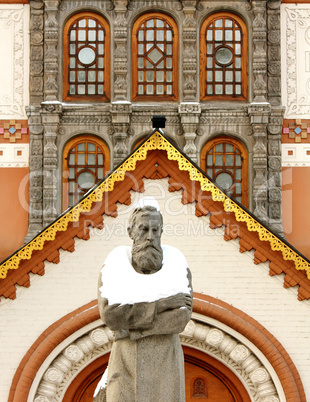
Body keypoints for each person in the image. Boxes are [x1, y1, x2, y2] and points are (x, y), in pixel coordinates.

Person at [95, 203, 193, 402]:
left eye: (155, 230)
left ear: (161, 231)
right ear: (131, 231)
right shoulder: (115, 267)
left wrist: (130, 330)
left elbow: (179, 319)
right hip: (124, 361)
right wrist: (162, 305)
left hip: (165, 364)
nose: (150, 236)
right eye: (144, 229)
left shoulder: (177, 268)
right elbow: (111, 315)